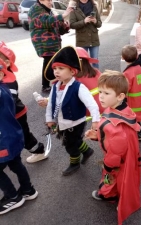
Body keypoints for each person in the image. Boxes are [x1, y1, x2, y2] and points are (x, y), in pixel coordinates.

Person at [85, 71, 141, 225]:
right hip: (120, 160)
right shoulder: (117, 108)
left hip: (114, 164)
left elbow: (116, 151)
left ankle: (107, 195)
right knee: (120, 179)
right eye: (100, 91)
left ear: (120, 96)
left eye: (106, 93)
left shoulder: (117, 128)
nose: (101, 96)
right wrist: (97, 135)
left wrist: (109, 166)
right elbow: (108, 135)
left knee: (110, 179)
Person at [45, 46, 100, 176]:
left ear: (72, 71)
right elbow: (51, 104)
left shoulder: (79, 87)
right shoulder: (55, 87)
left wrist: (96, 120)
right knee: (73, 141)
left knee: (70, 144)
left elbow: (92, 105)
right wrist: (49, 119)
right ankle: (87, 151)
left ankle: (74, 163)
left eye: (61, 68)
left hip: (76, 122)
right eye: (55, 69)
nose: (56, 72)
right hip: (62, 121)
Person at [0, 58, 38, 215]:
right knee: (16, 164)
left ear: (1, 74)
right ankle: (28, 190)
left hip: (3, 140)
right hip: (12, 135)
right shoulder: (4, 88)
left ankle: (13, 197)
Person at [0, 43, 47, 164]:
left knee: (24, 135)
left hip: (16, 115)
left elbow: (10, 101)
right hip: (7, 116)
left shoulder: (9, 82)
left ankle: (39, 151)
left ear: (7, 63)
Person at [28, 0, 72, 92]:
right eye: (48, 0)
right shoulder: (35, 9)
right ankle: (46, 85)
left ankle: (53, 83)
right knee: (50, 62)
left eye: (51, 0)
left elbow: (57, 27)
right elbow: (45, 21)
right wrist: (64, 14)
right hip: (45, 43)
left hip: (53, 43)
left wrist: (65, 26)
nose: (50, 2)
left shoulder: (49, 10)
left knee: (53, 63)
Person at [122, 45, 141, 141]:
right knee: (134, 118)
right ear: (137, 56)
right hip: (139, 99)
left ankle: (140, 133)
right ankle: (139, 133)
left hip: (131, 101)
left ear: (123, 58)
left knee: (131, 117)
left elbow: (125, 88)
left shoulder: (127, 73)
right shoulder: (139, 68)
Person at [69, 0, 102, 69]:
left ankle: (96, 79)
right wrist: (84, 21)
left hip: (94, 39)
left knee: (95, 62)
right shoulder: (74, 7)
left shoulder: (94, 5)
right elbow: (72, 25)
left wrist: (95, 21)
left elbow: (100, 23)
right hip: (82, 40)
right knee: (83, 64)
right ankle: (83, 79)